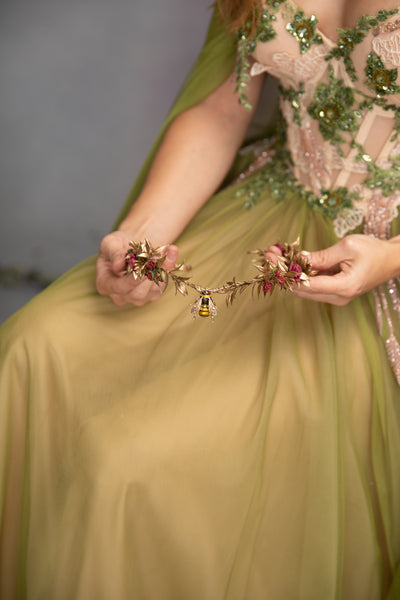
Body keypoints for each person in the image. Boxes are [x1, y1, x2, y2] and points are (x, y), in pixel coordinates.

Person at [1, 0, 400, 598]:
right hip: (271, 217)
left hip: (380, 268)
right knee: (32, 349)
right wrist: (142, 235)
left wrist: (391, 255)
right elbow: (221, 106)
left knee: (132, 466)